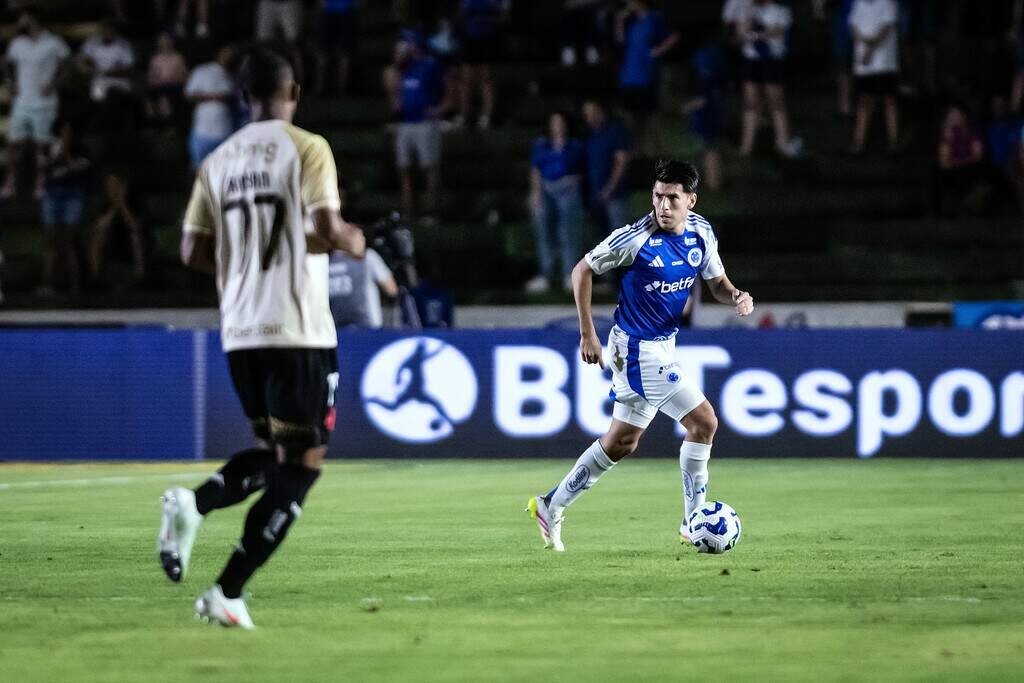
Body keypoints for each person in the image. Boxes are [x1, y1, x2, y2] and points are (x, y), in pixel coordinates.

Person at [158, 46, 365, 629]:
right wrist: (357, 241)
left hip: (241, 331)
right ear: (293, 93)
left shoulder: (218, 159)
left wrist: (243, 267)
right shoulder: (307, 147)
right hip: (297, 326)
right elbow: (326, 228)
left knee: (278, 453)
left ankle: (194, 504)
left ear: (243, 98)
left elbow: (192, 251)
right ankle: (227, 590)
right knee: (302, 465)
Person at [526, 159, 754, 552]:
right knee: (704, 422)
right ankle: (693, 521)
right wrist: (587, 333)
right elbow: (581, 271)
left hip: (663, 345)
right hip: (635, 349)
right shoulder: (634, 238)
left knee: (622, 442)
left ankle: (552, 503)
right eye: (657, 196)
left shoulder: (702, 233)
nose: (662, 206)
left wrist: (735, 294)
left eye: (672, 198)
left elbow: (716, 282)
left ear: (691, 201)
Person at [383, 31, 453, 225]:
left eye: (406, 44)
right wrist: (396, 67)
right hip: (405, 124)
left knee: (429, 169)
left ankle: (433, 212)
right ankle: (408, 212)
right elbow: (394, 102)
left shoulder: (431, 65)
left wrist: (440, 109)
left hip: (425, 123)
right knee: (404, 169)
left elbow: (450, 89)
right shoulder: (400, 70)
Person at [1, 10, 70, 200]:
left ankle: (41, 183)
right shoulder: (17, 43)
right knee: (13, 144)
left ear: (33, 20)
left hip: (44, 102)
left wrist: (54, 84)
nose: (20, 22)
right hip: (22, 101)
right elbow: (6, 63)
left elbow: (66, 66)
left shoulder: (54, 42)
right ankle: (10, 182)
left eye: (23, 18)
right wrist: (10, 83)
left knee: (42, 145)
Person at [526, 111, 585, 293]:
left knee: (568, 232)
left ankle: (570, 274)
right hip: (547, 189)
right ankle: (546, 274)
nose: (558, 126)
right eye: (554, 123)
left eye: (561, 122)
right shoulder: (542, 145)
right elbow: (536, 170)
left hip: (568, 189)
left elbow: (582, 169)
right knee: (544, 231)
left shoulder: (575, 145)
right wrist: (535, 194)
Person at [736, 0, 801, 158]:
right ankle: (746, 147)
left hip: (772, 59)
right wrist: (748, 26)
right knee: (750, 103)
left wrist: (758, 34)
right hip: (752, 59)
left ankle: (782, 143)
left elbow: (779, 31)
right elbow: (740, 32)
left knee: (777, 103)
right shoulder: (747, 8)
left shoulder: (781, 9)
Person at [615, 0, 679, 155]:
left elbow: (674, 37)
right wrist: (619, 21)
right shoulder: (632, 21)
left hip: (646, 77)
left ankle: (653, 153)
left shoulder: (654, 18)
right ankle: (635, 151)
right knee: (629, 118)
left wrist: (657, 51)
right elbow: (621, 40)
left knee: (649, 118)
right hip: (628, 77)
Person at [39, 119, 90, 295]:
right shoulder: (49, 147)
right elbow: (44, 167)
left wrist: (67, 151)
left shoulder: (81, 149)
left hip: (72, 195)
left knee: (70, 240)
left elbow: (78, 169)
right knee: (51, 240)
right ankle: (48, 283)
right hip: (52, 195)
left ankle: (75, 285)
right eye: (63, 130)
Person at [848, 0, 900, 154]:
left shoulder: (888, 3)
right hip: (863, 65)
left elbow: (887, 28)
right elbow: (853, 26)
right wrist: (862, 45)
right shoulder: (858, 3)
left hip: (885, 63)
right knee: (864, 102)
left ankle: (893, 142)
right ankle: (859, 143)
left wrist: (870, 49)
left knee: (889, 101)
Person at [456, 0, 509, 129]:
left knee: (487, 79)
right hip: (470, 38)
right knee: (466, 79)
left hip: (489, 38)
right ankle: (464, 115)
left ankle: (486, 116)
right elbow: (462, 12)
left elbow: (504, 15)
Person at [582, 99, 632, 236]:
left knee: (620, 237)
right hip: (595, 196)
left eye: (593, 112)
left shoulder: (616, 130)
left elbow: (621, 161)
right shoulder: (588, 135)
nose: (591, 117)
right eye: (587, 114)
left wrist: (610, 187)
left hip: (615, 194)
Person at [88, 173, 148, 289]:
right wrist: (114, 208)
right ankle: (96, 278)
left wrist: (123, 206)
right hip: (110, 241)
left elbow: (134, 226)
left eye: (116, 186)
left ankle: (140, 276)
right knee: (96, 238)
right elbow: (100, 227)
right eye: (110, 186)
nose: (113, 190)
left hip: (131, 240)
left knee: (135, 237)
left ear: (124, 186)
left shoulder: (136, 202)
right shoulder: (103, 203)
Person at [184, 46, 236, 169]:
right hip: (202, 132)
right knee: (198, 169)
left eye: (231, 55)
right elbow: (189, 94)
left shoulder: (233, 76)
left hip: (225, 132)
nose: (228, 57)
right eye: (226, 53)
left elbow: (232, 97)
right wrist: (214, 97)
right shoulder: (202, 71)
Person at [683, 44, 725, 190]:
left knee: (710, 152)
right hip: (711, 121)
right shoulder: (716, 79)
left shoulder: (707, 79)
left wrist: (686, 108)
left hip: (708, 121)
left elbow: (702, 100)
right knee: (707, 151)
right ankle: (711, 182)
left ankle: (714, 183)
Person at [328, 247, 398, 328]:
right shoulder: (368, 257)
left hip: (338, 330)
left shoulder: (325, 262)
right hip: (369, 327)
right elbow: (391, 289)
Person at [78, 20, 135, 104]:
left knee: (120, 98)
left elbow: (129, 69)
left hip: (119, 80)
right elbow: (82, 60)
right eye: (104, 29)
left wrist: (108, 72)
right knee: (97, 94)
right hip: (99, 80)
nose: (107, 32)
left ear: (114, 31)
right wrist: (85, 67)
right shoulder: (92, 43)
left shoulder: (123, 45)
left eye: (110, 30)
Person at [317, 0, 359, 96]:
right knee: (323, 52)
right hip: (328, 11)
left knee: (345, 52)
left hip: (347, 11)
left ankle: (341, 89)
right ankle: (321, 88)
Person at [146, 32, 189, 121]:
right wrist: (157, 81)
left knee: (164, 98)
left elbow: (184, 76)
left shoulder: (178, 57)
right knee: (148, 97)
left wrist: (172, 79)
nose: (164, 43)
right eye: (162, 41)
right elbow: (151, 77)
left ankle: (167, 122)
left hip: (175, 85)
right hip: (159, 85)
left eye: (167, 41)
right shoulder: (155, 59)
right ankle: (152, 123)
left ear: (171, 42)